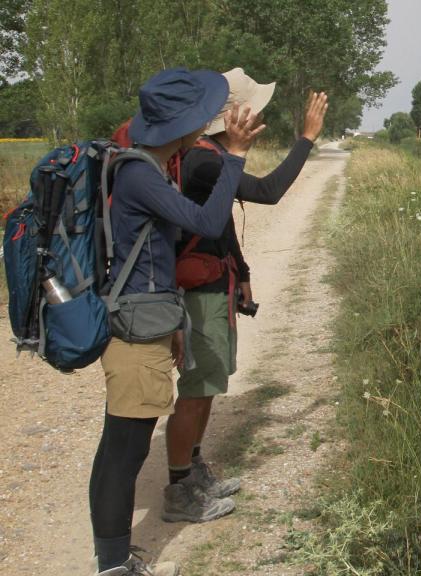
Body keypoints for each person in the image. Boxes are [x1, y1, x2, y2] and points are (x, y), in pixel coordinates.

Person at [90, 68, 263, 576]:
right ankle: (114, 563)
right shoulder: (141, 173)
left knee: (124, 445)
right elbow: (209, 222)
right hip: (133, 332)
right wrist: (233, 154)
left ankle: (115, 558)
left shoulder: (152, 167)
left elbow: (153, 258)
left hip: (149, 320)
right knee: (123, 451)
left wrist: (176, 323)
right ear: (183, 126)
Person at [161, 69, 329, 523]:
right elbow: (268, 193)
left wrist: (244, 271)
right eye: (252, 106)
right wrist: (306, 139)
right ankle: (179, 490)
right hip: (198, 293)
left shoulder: (209, 155)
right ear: (231, 114)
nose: (259, 112)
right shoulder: (207, 160)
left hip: (216, 283)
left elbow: (218, 222)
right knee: (196, 389)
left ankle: (193, 471)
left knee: (210, 383)